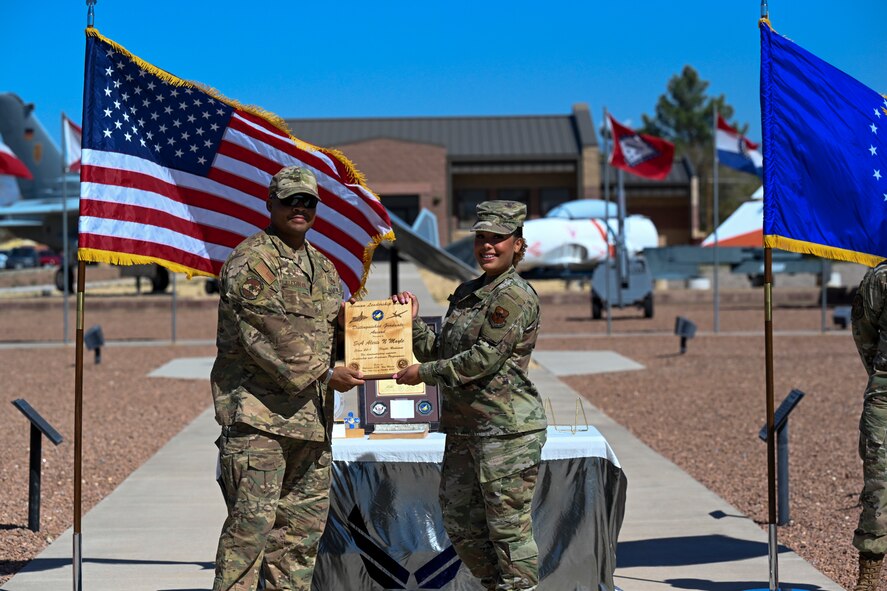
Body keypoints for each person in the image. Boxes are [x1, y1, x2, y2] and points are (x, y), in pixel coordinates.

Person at [211, 165, 364, 591]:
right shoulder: (251, 262)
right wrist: (325, 372)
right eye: (290, 200)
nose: (300, 208)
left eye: (308, 202)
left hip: (310, 428)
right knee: (249, 538)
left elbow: (340, 330)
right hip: (260, 425)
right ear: (270, 203)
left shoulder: (322, 267)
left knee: (297, 543)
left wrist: (387, 324)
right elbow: (266, 336)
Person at [392, 200, 548, 590]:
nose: (488, 246)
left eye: (498, 239)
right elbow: (444, 351)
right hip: (465, 431)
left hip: (505, 432)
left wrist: (422, 374)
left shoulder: (513, 296)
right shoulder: (466, 292)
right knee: (461, 525)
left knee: (508, 533)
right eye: (481, 238)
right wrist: (409, 325)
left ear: (517, 243)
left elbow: (482, 360)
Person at [851, 261, 887, 590]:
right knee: (879, 492)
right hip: (886, 402)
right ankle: (868, 580)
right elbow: (865, 333)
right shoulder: (881, 277)